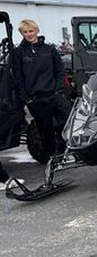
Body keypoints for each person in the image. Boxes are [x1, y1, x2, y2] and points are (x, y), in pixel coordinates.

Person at [10, 19, 72, 158]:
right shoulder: (19, 53)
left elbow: (60, 70)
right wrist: (26, 98)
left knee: (69, 121)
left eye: (31, 31)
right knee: (45, 130)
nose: (29, 34)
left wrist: (58, 90)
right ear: (22, 33)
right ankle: (50, 157)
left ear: (36, 31)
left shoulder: (49, 50)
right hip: (36, 99)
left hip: (54, 95)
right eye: (25, 32)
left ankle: (64, 150)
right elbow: (18, 78)